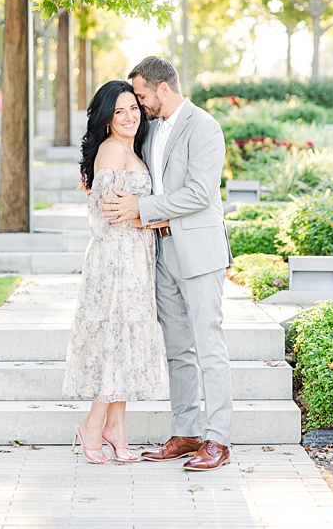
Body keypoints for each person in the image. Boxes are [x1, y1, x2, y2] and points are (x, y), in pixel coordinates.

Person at [101, 55, 234, 473]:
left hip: (199, 251)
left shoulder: (205, 128)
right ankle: (187, 432)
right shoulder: (152, 129)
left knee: (208, 345)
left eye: (141, 95)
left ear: (162, 88)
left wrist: (142, 206)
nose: (138, 105)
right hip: (160, 251)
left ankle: (218, 440)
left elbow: (198, 194)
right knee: (178, 349)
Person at [63, 79, 168, 465]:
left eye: (134, 109)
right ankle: (92, 426)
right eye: (119, 111)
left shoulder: (132, 149)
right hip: (115, 264)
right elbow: (105, 217)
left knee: (125, 343)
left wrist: (144, 213)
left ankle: (116, 428)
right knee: (113, 342)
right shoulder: (111, 150)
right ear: (106, 118)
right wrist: (150, 218)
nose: (128, 117)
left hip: (135, 261)